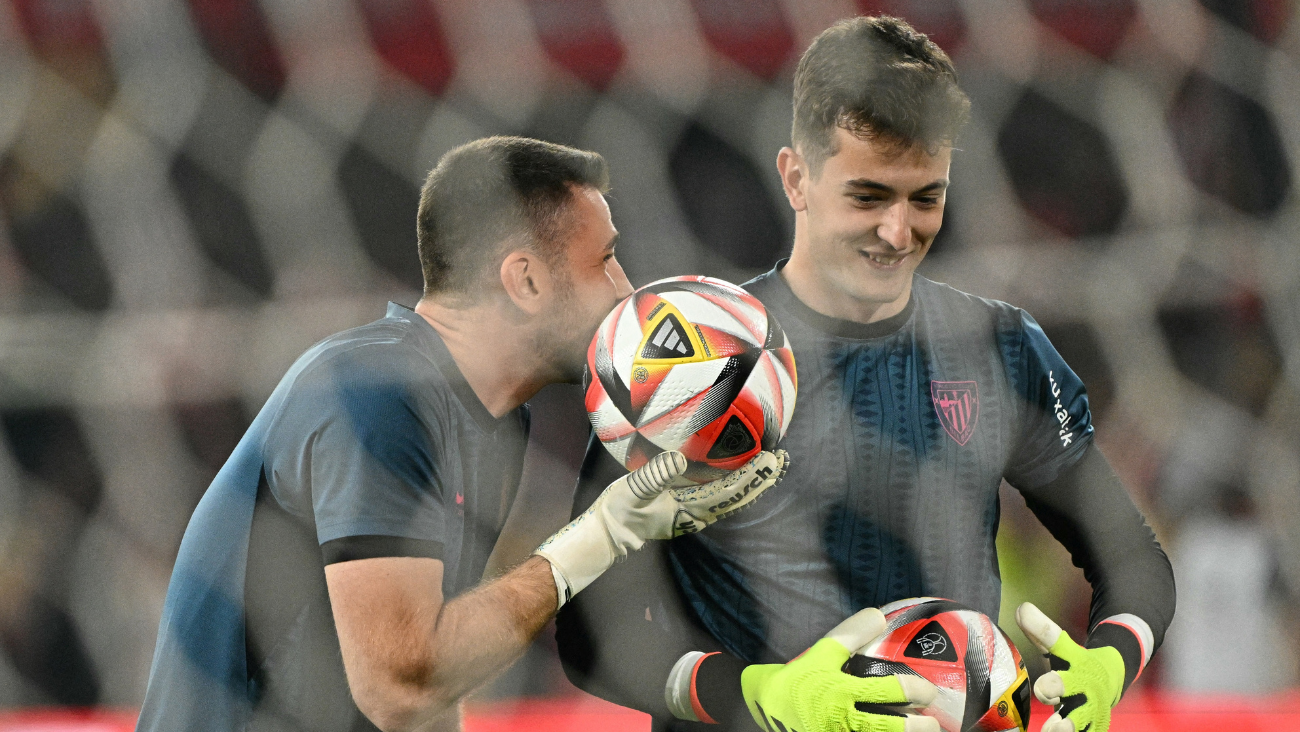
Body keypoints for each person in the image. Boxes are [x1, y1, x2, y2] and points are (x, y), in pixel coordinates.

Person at [556, 17, 1175, 732]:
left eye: (926, 197)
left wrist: (1107, 665)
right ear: (795, 177)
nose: (898, 231)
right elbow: (588, 629)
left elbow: (1131, 556)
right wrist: (761, 695)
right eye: (869, 196)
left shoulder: (1000, 348)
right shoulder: (687, 360)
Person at [134, 136, 788, 732]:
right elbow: (399, 688)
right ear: (525, 279)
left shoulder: (494, 419)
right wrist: (605, 532)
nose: (626, 289)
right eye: (607, 260)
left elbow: (431, 689)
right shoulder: (376, 389)